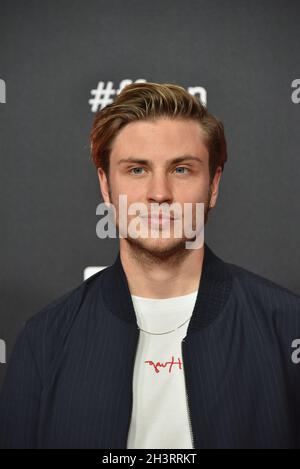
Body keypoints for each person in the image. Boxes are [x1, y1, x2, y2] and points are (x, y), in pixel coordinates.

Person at [0, 82, 299, 449]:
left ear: (214, 184)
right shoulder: (44, 340)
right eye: (138, 170)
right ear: (106, 187)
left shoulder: (286, 327)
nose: (159, 193)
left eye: (182, 170)